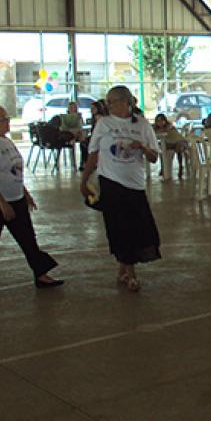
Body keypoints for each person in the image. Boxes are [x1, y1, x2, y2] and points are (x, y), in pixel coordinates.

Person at [0, 106, 63, 292]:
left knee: (28, 238)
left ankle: (41, 274)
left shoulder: (6, 141)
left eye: (7, 118)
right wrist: (2, 203)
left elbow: (14, 171)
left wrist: (25, 193)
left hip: (15, 197)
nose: (7, 122)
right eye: (2, 119)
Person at [80, 86, 161, 292]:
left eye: (112, 101)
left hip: (135, 184)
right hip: (111, 182)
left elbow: (154, 157)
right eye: (107, 102)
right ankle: (131, 274)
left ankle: (123, 268)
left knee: (139, 228)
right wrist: (84, 179)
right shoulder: (104, 123)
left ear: (126, 102)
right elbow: (94, 152)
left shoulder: (142, 125)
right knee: (120, 228)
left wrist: (141, 147)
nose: (108, 106)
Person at [153, 114, 187, 179]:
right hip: (169, 144)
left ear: (165, 121)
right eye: (158, 121)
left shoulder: (169, 126)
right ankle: (163, 168)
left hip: (179, 142)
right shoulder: (155, 128)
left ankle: (180, 166)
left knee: (178, 147)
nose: (160, 123)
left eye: (161, 120)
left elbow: (169, 132)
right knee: (161, 149)